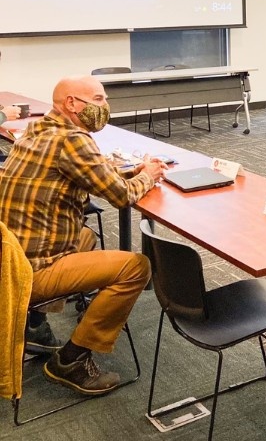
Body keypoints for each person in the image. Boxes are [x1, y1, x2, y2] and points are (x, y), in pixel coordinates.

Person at [0, 75, 167, 396]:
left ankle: (33, 324)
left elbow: (89, 171)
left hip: (11, 260)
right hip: (27, 273)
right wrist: (148, 175)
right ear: (73, 104)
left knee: (84, 238)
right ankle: (72, 360)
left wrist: (133, 171)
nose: (106, 106)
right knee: (136, 267)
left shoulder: (38, 131)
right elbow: (120, 197)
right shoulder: (73, 140)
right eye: (100, 99)